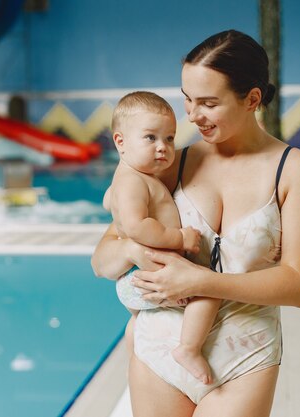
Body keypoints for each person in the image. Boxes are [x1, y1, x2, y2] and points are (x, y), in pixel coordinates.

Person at [91, 29, 300, 417]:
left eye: (208, 103)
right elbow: (102, 260)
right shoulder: (171, 163)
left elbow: (299, 285)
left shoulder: (293, 170)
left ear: (251, 99)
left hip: (244, 357)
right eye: (187, 99)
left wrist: (202, 281)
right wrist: (132, 249)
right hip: (158, 351)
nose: (192, 115)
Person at [107, 91, 223, 385]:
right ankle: (189, 348)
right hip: (148, 272)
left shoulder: (134, 177)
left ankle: (135, 356)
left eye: (169, 139)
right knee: (209, 290)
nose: (163, 147)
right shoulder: (133, 180)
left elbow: (111, 202)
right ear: (120, 142)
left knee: (140, 325)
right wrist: (179, 238)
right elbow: (137, 226)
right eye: (150, 138)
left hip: (139, 275)